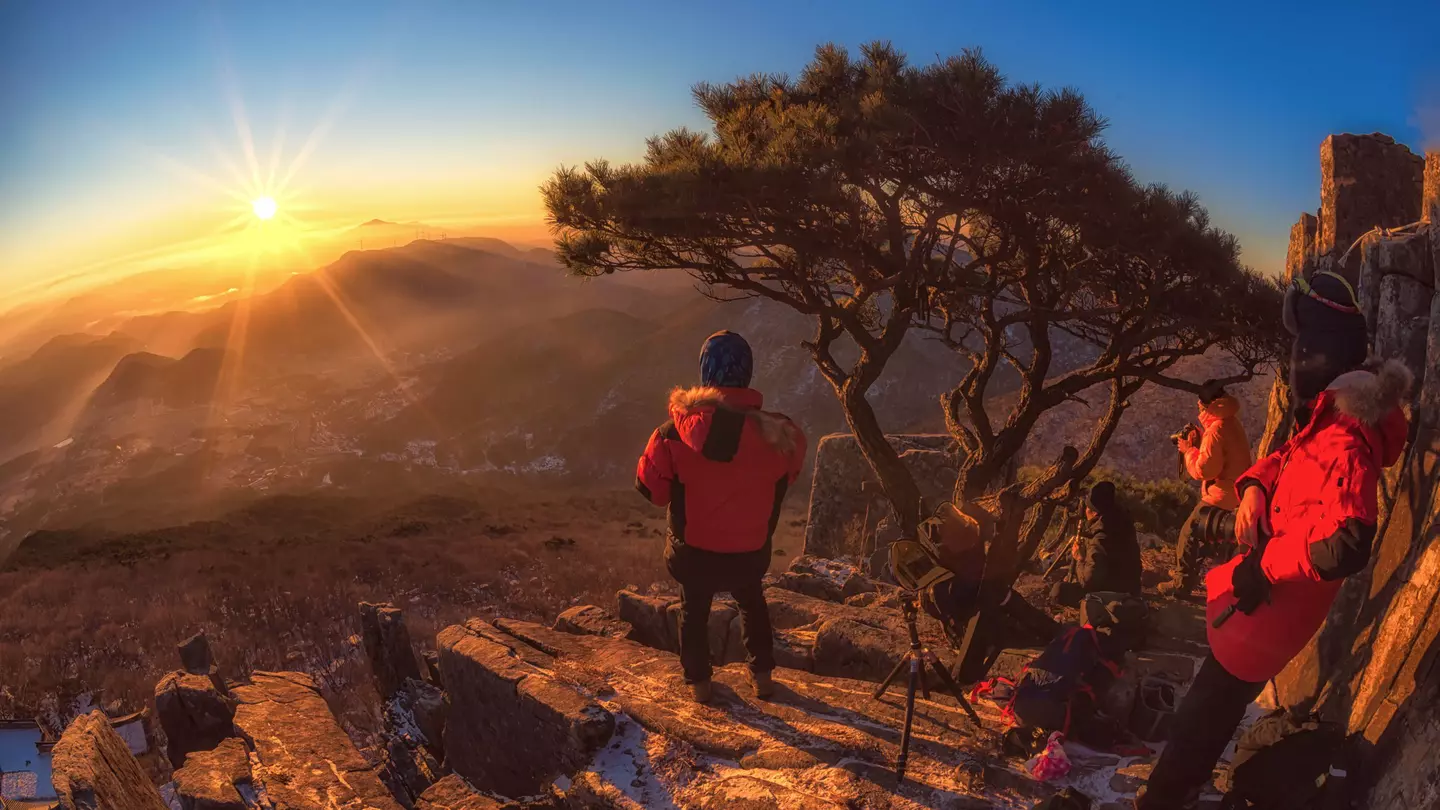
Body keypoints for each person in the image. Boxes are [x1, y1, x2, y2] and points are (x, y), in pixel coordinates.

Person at [1135, 306, 1411, 810]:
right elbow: (1288, 455)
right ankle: (1180, 789)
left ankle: (1162, 799)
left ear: (1320, 356)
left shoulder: (1348, 438)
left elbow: (1347, 545)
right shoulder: (1335, 414)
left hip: (1269, 608)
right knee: (1211, 711)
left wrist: (1264, 565)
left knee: (1201, 717)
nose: (1295, 361)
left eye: (1303, 349)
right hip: (1264, 605)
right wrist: (1258, 486)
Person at [635, 330, 806, 704]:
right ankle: (762, 675)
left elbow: (652, 492)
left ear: (705, 372)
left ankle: (699, 683)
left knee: (693, 611)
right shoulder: (781, 435)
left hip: (693, 554)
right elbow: (786, 478)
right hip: (750, 552)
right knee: (751, 601)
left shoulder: (671, 435)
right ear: (747, 373)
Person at [1159, 381, 1254, 598]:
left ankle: (1181, 585)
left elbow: (1204, 470)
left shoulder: (1216, 430)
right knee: (1206, 536)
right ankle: (1206, 576)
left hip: (1222, 495)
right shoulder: (1230, 421)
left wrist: (1188, 450)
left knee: (1188, 533)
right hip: (1238, 492)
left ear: (1203, 404)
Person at [1051, 481, 1141, 608]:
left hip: (1112, 595)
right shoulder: (1122, 523)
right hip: (1132, 588)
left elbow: (1088, 582)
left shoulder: (1100, 538)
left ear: (1094, 512)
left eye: (1087, 507)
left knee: (1058, 590)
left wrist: (1080, 559)